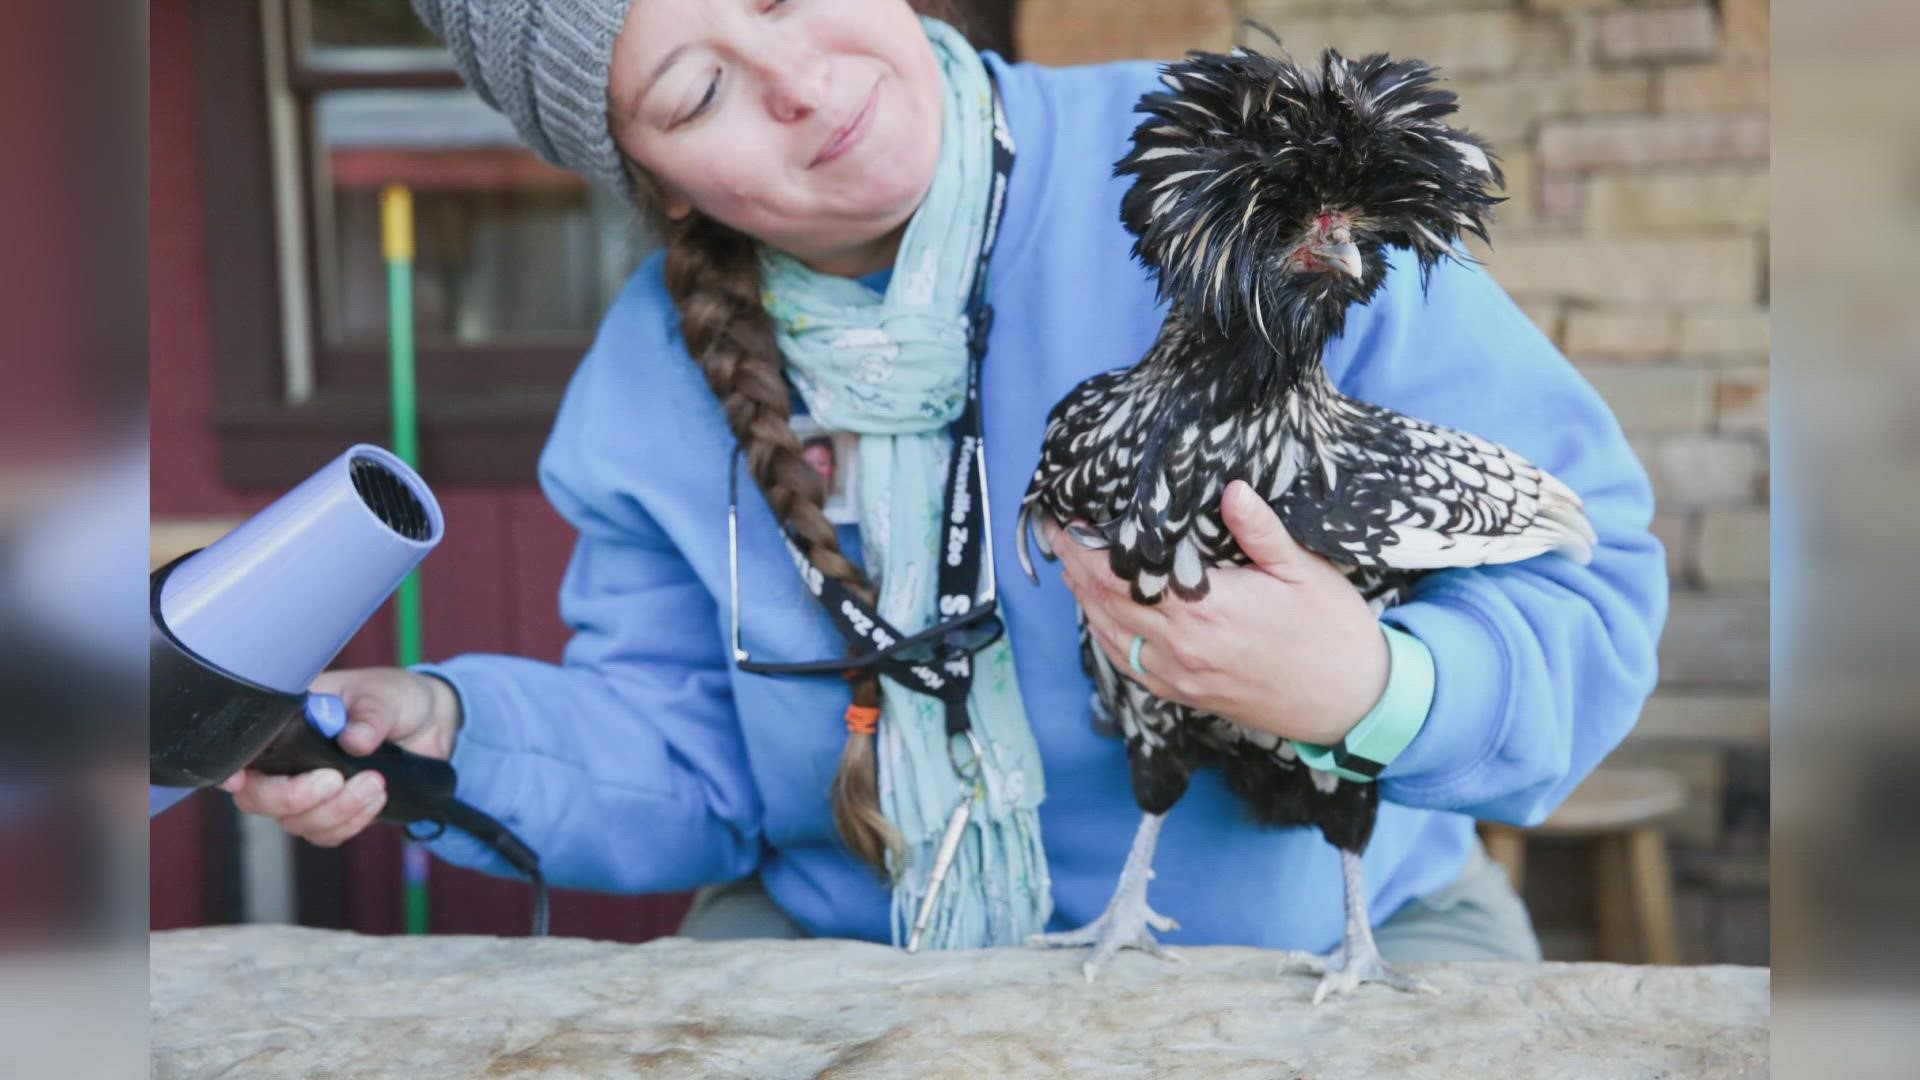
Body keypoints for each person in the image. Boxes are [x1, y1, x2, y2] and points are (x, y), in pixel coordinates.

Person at [224, 0, 1667, 962]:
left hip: (1327, 945)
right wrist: (453, 730)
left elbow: (1589, 591)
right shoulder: (646, 389)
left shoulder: (1244, 173)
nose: (800, 84)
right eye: (701, 88)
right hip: (854, 961)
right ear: (653, 177)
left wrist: (1373, 688)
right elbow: (691, 764)